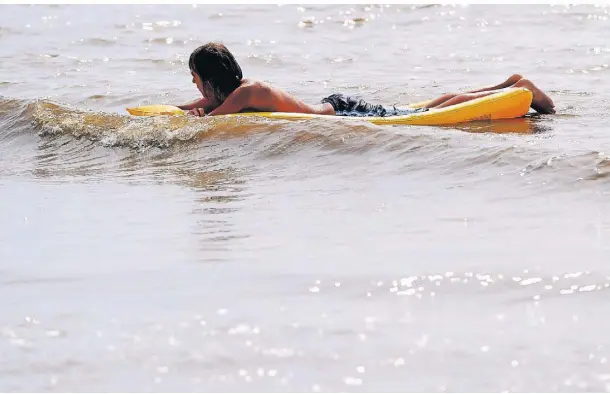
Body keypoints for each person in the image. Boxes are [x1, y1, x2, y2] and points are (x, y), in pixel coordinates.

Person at [177, 42, 555, 118]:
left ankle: (516, 90)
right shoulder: (238, 92)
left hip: (344, 114)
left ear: (210, 78)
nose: (195, 87)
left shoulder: (246, 94)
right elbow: (202, 107)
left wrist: (193, 117)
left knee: (418, 114)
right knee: (425, 106)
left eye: (195, 79)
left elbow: (210, 119)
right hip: (336, 106)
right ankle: (508, 83)